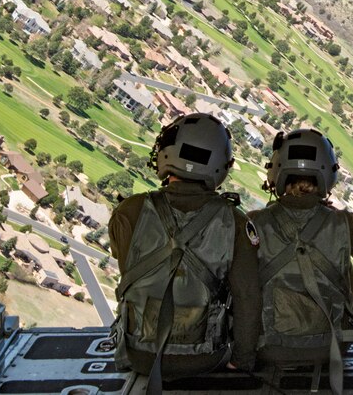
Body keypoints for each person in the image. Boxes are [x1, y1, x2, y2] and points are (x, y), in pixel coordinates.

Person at [109, 113, 259, 390]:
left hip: (138, 354)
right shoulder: (235, 223)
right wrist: (243, 361)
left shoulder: (129, 211)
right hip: (202, 358)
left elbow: (128, 272)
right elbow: (247, 297)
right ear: (220, 165)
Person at [249, 128, 353, 395]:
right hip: (328, 346)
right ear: (328, 174)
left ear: (277, 173)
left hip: (270, 346)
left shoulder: (253, 222)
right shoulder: (343, 223)